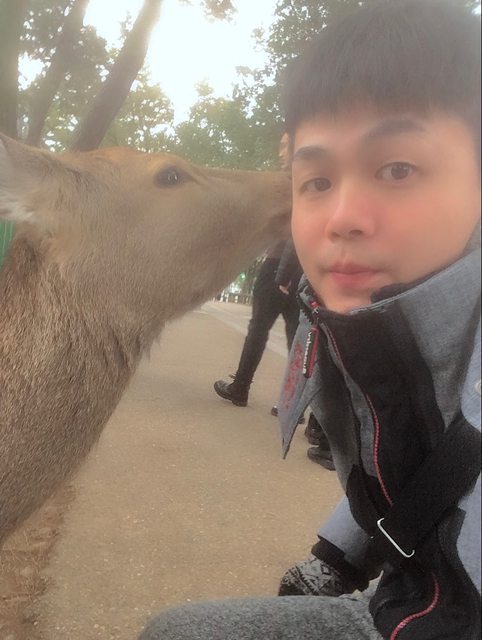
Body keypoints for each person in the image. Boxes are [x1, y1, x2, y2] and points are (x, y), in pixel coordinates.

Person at [139, 1, 481, 638]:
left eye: (397, 169)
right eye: (317, 181)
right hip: (401, 602)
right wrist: (337, 556)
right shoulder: (358, 330)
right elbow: (422, 463)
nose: (341, 217)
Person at [213, 237, 301, 408]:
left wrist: (284, 274)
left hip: (278, 265)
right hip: (304, 271)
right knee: (297, 338)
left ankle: (240, 387)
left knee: (258, 329)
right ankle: (290, 405)